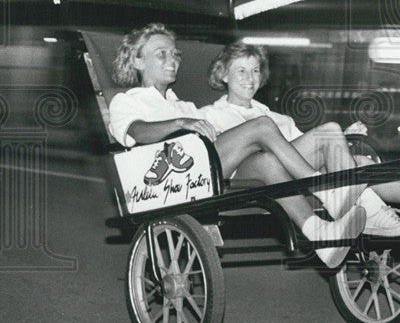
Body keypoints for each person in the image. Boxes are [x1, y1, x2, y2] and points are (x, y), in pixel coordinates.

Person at [108, 23, 367, 269]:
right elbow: (137, 132)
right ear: (138, 61)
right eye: (161, 54)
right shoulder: (126, 101)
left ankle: (319, 234)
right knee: (262, 125)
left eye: (175, 54)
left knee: (271, 159)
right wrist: (180, 123)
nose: (172, 59)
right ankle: (325, 190)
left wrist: (191, 120)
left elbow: (223, 136)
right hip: (173, 177)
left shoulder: (184, 106)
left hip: (209, 168)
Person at [198, 40, 400, 237]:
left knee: (358, 159)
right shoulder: (210, 114)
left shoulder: (276, 117)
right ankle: (361, 206)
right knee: (327, 132)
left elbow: (302, 149)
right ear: (223, 75)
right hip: (245, 180)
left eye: (256, 70)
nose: (250, 78)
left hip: (290, 176)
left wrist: (344, 139)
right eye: (241, 71)